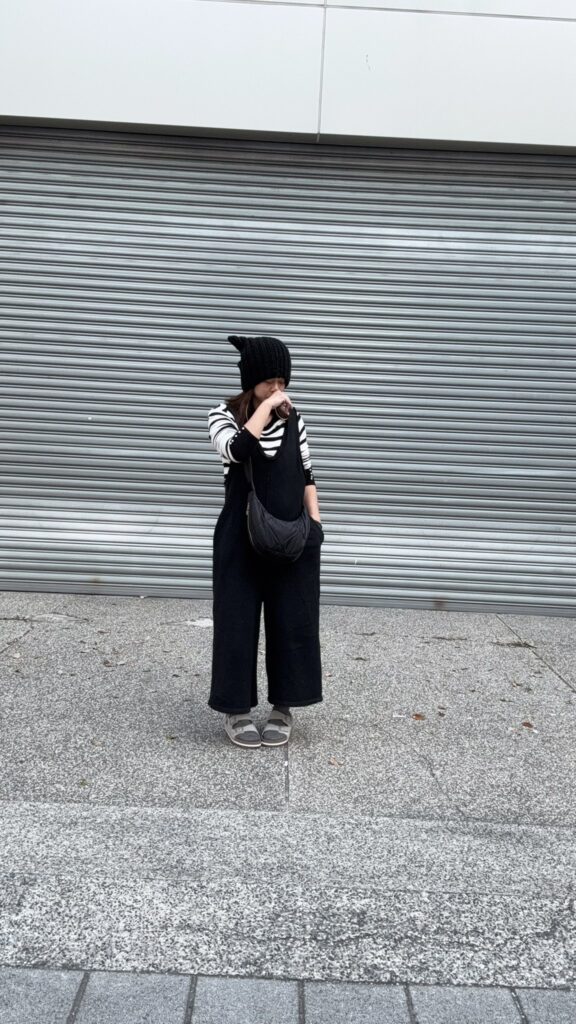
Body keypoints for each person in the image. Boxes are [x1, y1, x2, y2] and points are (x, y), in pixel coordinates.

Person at [208, 334, 324, 748]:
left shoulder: (295, 420)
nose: (277, 390)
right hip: (240, 539)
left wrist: (316, 527)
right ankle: (236, 710)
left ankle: (283, 707)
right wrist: (265, 409)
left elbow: (308, 475)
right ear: (250, 382)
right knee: (236, 624)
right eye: (268, 382)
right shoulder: (221, 415)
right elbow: (236, 451)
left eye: (282, 382)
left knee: (292, 623)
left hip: (293, 538)